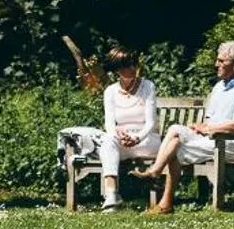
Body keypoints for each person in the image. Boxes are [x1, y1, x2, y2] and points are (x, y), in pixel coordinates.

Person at [134, 40, 234, 214]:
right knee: (175, 130)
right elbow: (210, 120)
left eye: (221, 61)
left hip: (231, 143)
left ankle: (163, 197)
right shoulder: (219, 87)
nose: (216, 64)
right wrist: (200, 127)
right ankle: (157, 176)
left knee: (174, 149)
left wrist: (208, 129)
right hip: (211, 140)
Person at [56, 46, 160, 210]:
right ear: (117, 69)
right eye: (126, 66)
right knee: (108, 141)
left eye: (133, 64)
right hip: (122, 142)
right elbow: (110, 124)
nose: (132, 69)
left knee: (109, 144)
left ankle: (113, 195)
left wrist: (137, 137)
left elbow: (151, 122)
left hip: (146, 141)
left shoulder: (148, 86)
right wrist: (119, 137)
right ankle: (111, 195)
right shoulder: (110, 91)